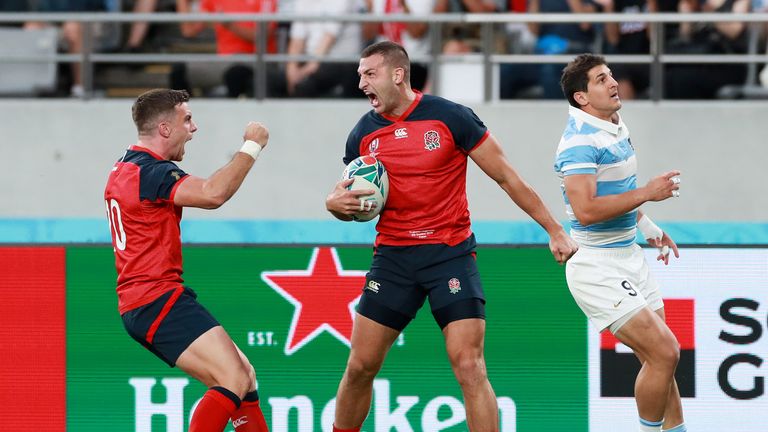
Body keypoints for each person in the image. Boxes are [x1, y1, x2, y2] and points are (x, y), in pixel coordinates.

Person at [325, 41, 578, 432]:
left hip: (450, 256)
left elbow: (507, 176)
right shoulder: (361, 135)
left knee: (469, 365)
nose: (361, 84)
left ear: (398, 75)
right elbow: (355, 204)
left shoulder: (450, 117)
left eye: (369, 74)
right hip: (393, 259)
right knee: (360, 366)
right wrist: (334, 206)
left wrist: (554, 229)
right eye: (360, 75)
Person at [104, 89, 270, 432]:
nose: (193, 128)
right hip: (155, 298)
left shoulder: (125, 167)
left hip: (145, 301)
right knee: (233, 377)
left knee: (244, 377)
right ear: (165, 128)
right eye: (187, 119)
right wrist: (252, 146)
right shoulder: (152, 173)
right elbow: (213, 193)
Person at [555, 54, 686, 432]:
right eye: (600, 79)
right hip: (595, 265)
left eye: (610, 75)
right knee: (665, 353)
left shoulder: (614, 124)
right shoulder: (578, 143)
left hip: (628, 253)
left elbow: (620, 190)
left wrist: (647, 226)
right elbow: (585, 211)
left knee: (662, 360)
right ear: (581, 97)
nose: (613, 83)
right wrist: (648, 193)